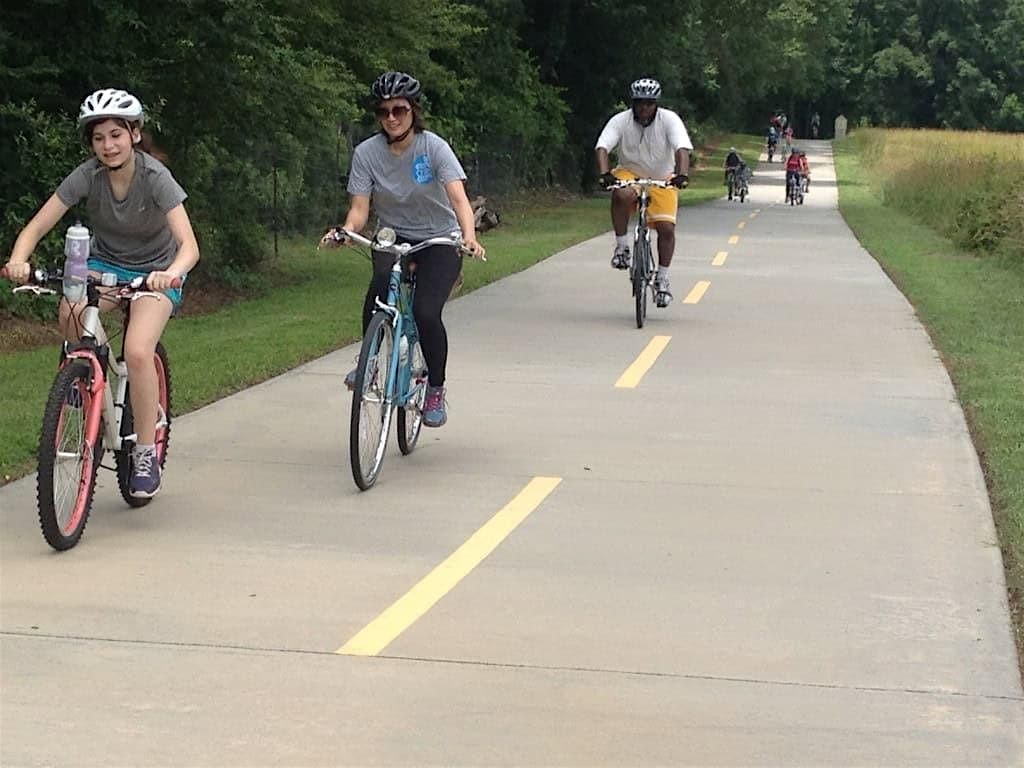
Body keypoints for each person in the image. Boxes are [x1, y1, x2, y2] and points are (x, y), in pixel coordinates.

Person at [2, 88, 199, 499]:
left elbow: (189, 246)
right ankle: (85, 371)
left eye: (116, 135)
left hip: (155, 274)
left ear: (135, 134)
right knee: (70, 307)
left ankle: (145, 450)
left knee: (140, 349)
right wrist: (20, 258)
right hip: (104, 265)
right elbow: (38, 225)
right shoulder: (87, 175)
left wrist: (171, 274)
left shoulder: (155, 177)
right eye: (98, 138)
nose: (107, 145)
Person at [319, 71, 485, 429]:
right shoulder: (367, 153)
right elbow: (360, 210)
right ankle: (371, 362)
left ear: (413, 111)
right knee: (378, 291)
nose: (391, 118)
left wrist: (468, 237)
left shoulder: (434, 148)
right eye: (383, 112)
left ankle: (435, 388)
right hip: (394, 237)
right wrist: (346, 232)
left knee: (426, 312)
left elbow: (459, 199)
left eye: (399, 110)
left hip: (439, 237)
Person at [594, 77, 692, 308]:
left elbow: (681, 148)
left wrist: (682, 174)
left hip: (662, 176)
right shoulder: (621, 120)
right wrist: (605, 172)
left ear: (656, 103)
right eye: (639, 103)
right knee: (621, 194)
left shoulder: (669, 119)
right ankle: (622, 248)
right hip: (630, 172)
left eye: (649, 103)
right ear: (633, 103)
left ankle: (662, 279)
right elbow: (602, 146)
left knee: (666, 228)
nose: (644, 108)